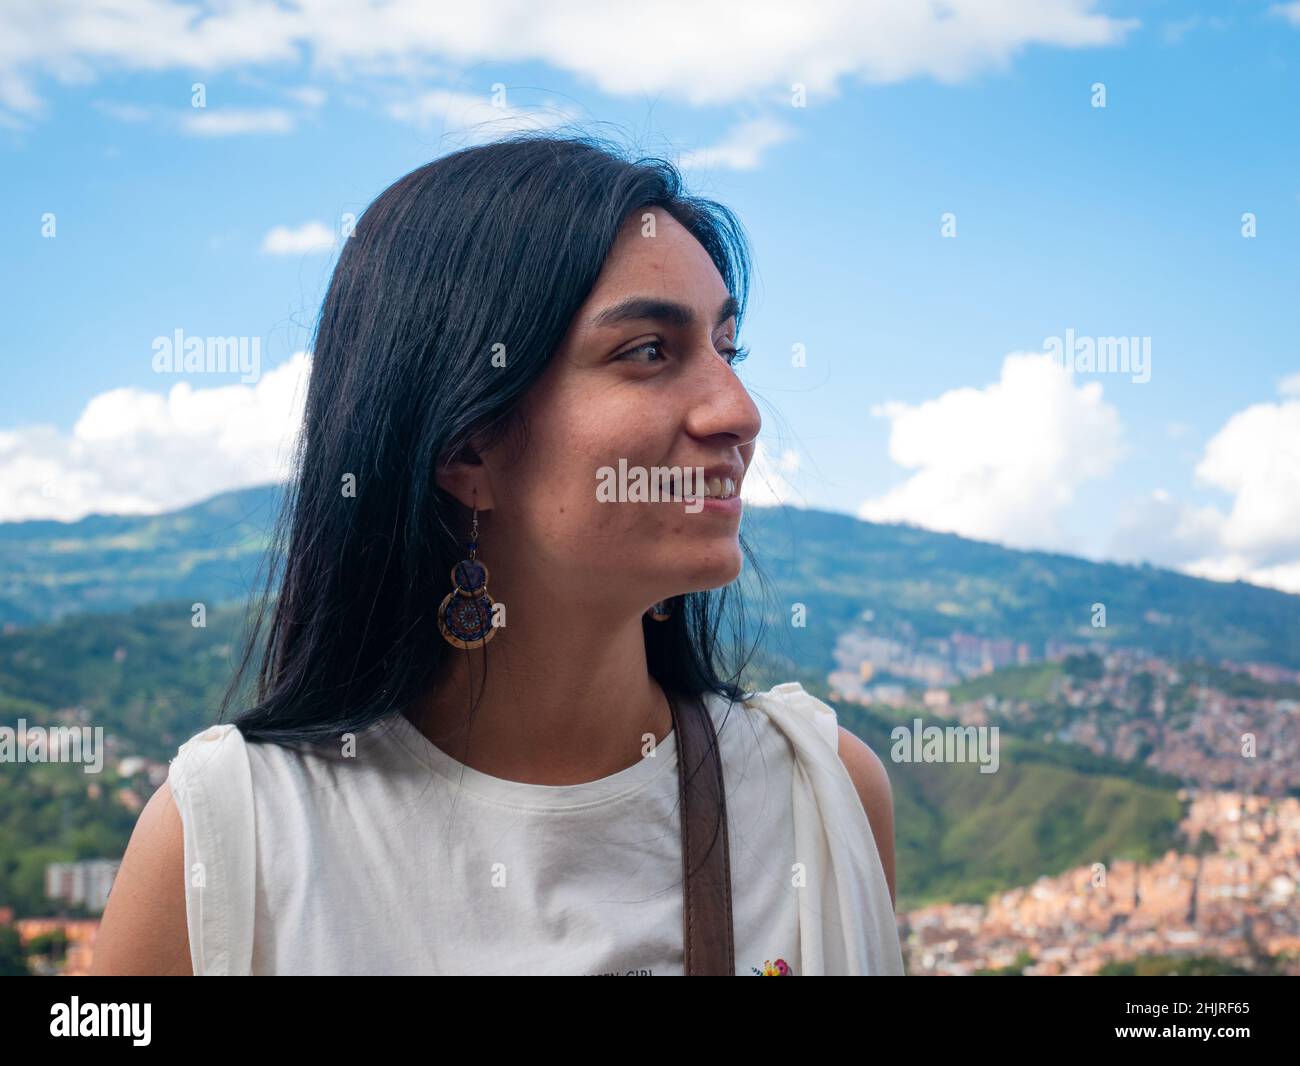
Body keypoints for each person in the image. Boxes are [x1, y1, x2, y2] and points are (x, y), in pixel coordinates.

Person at [91, 130, 903, 976]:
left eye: (726, 349)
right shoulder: (233, 838)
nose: (737, 410)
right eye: (649, 352)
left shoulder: (822, 796)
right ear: (466, 449)